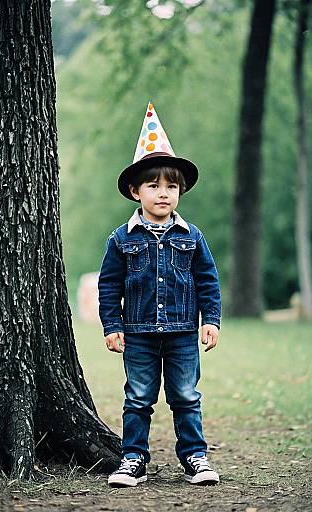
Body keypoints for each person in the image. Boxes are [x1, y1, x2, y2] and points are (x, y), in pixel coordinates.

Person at [98, 102, 221, 487]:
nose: (163, 193)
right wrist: (111, 325)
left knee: (186, 395)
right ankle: (133, 458)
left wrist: (212, 320)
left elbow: (208, 279)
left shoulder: (192, 236)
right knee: (138, 397)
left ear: (180, 191)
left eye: (171, 186)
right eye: (154, 185)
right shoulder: (121, 239)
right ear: (136, 191)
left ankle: (195, 457)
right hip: (137, 334)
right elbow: (109, 285)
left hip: (184, 332)